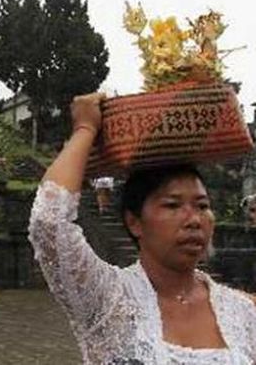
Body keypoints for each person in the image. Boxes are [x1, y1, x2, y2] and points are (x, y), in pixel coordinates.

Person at [29, 93, 256, 363]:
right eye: (173, 205)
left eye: (202, 205)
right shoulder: (108, 299)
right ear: (134, 221)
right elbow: (49, 223)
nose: (194, 219)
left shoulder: (243, 312)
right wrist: (85, 128)